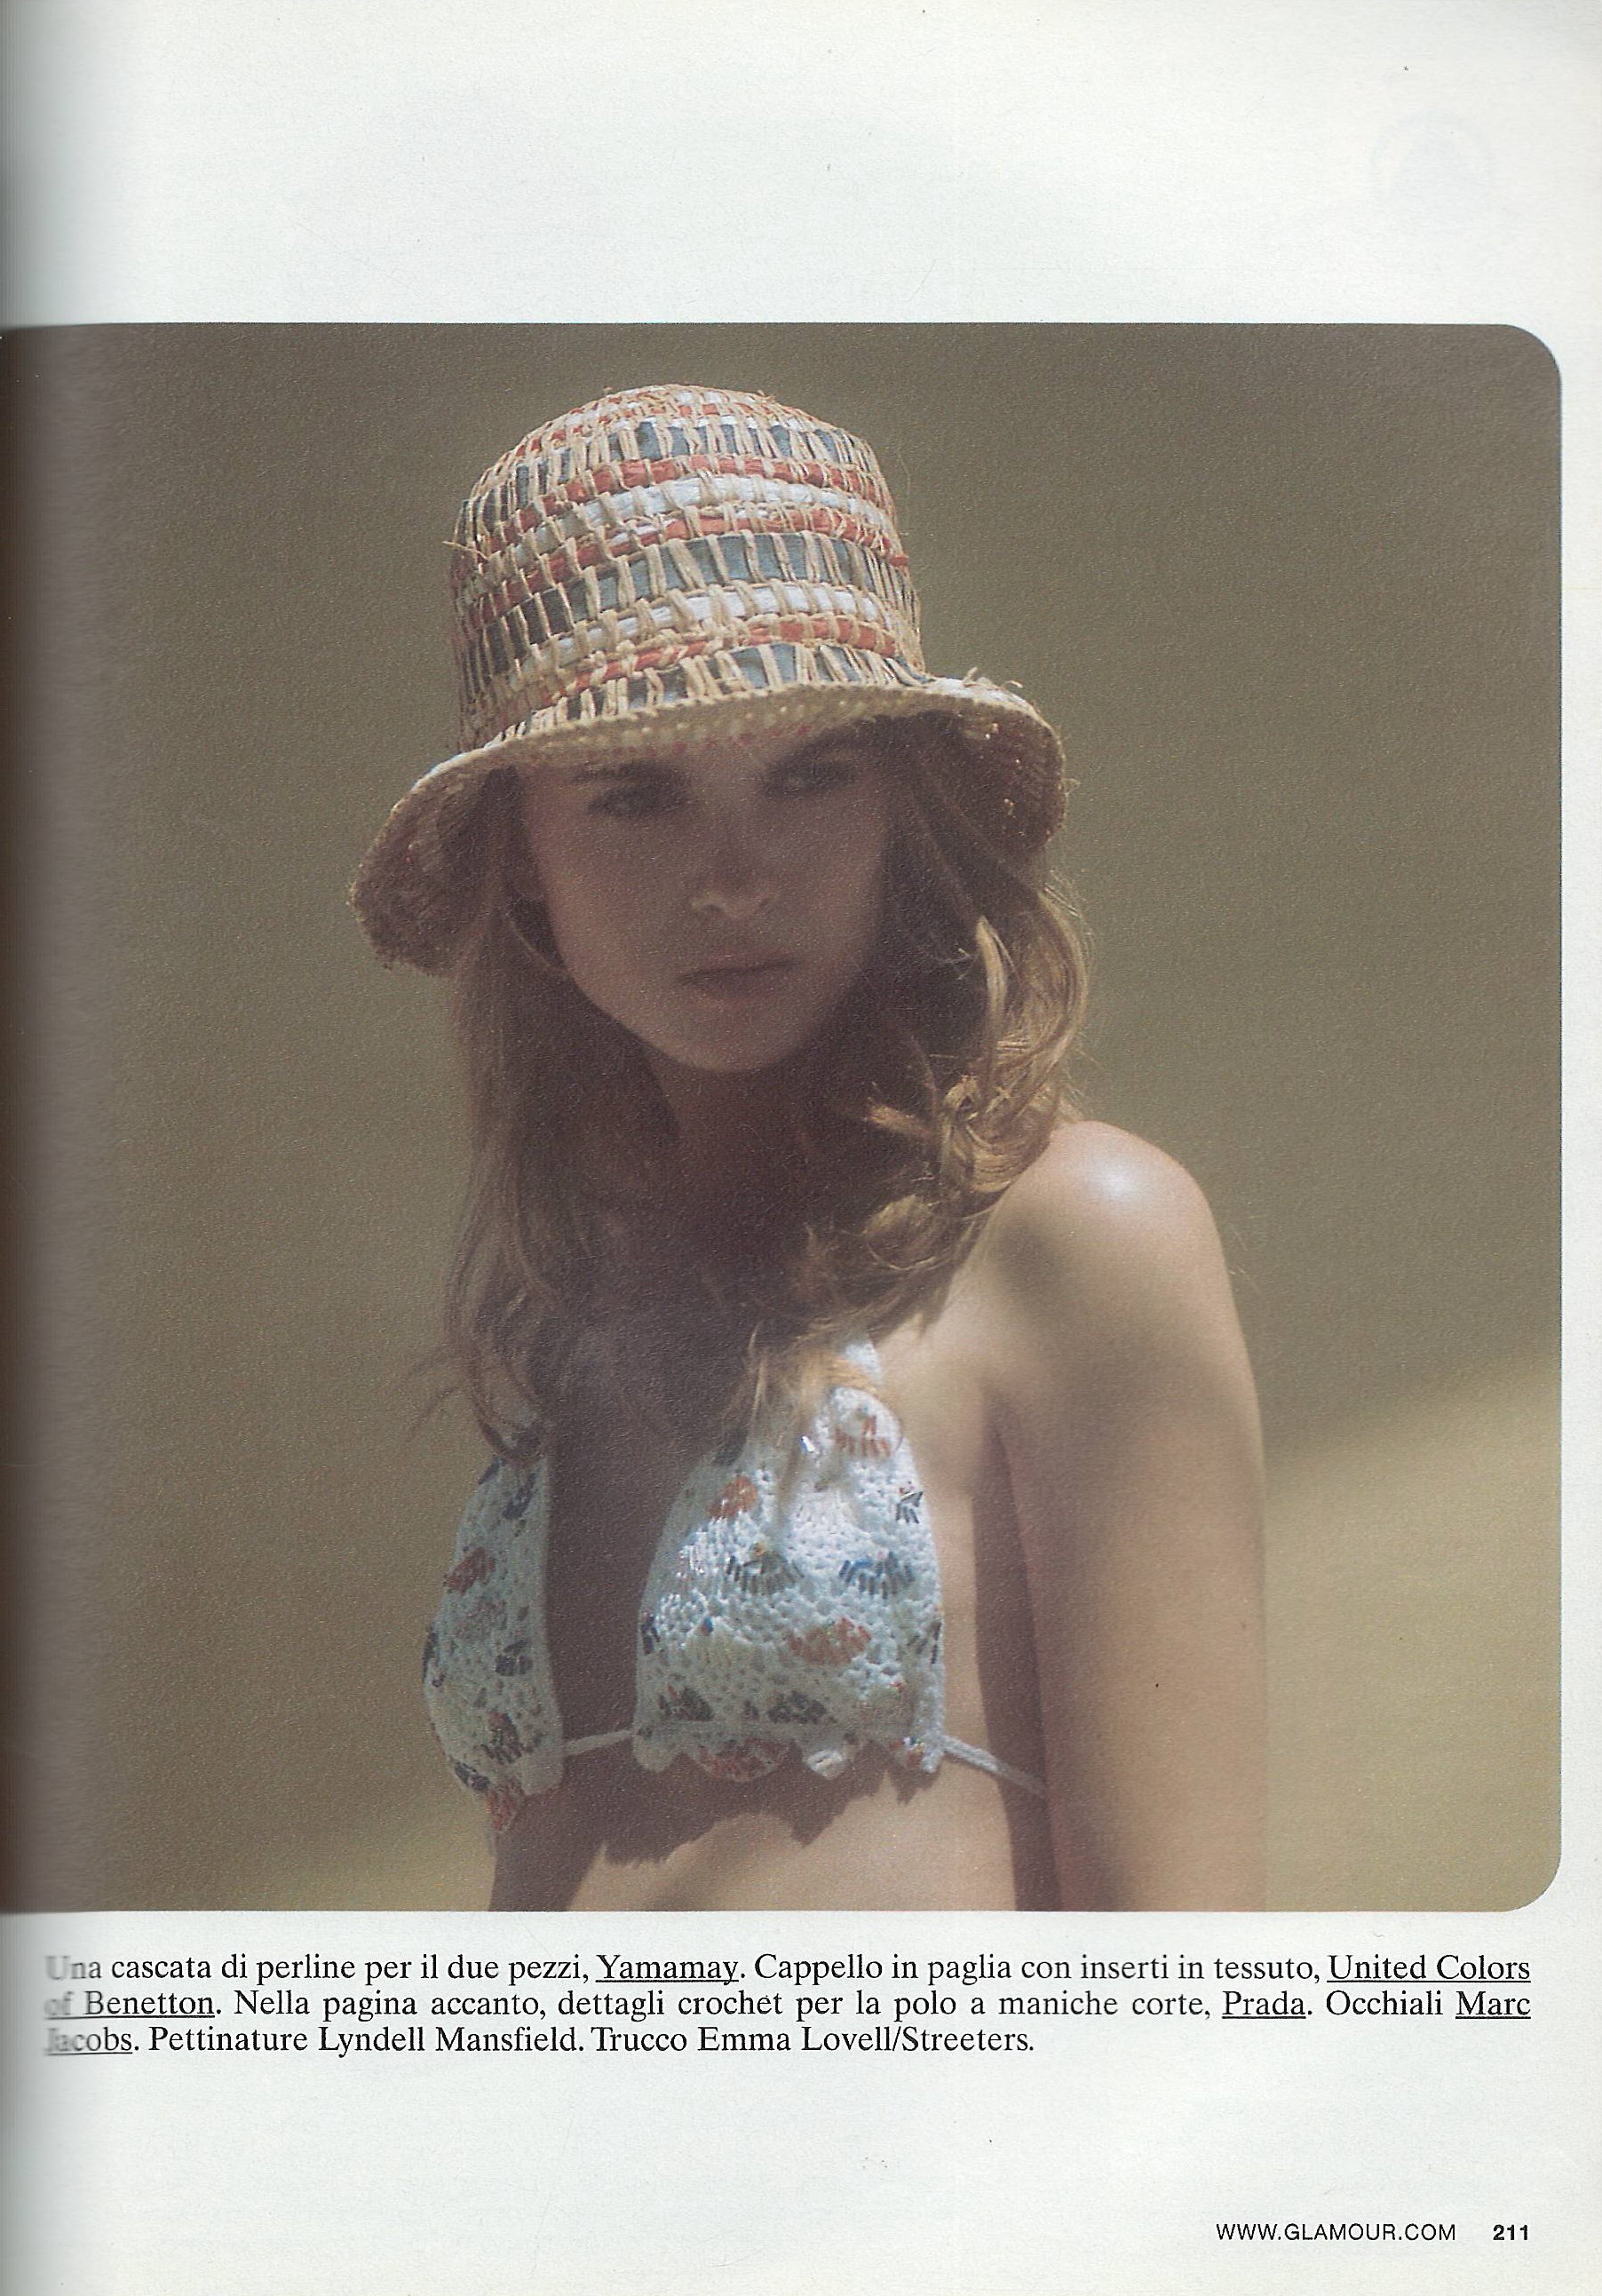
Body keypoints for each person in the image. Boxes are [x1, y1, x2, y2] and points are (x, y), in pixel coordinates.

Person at [352, 382, 1264, 1912]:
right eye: (636, 794)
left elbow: (1189, 1969)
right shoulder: (572, 1301)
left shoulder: (1078, 1234)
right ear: (521, 855)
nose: (733, 876)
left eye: (809, 773)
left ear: (901, 808)